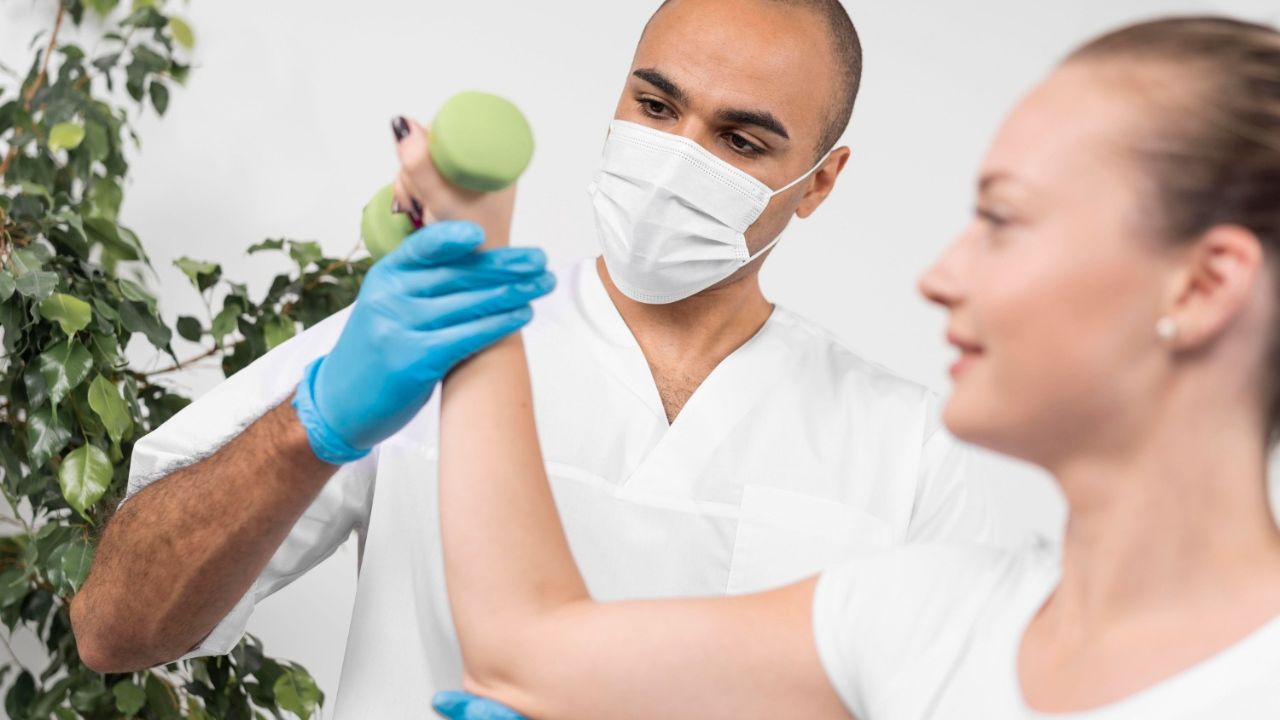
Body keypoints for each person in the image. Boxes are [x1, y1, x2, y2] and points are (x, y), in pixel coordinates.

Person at [70, 0, 992, 716]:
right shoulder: (432, 330)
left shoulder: (907, 449)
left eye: (740, 139)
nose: (675, 158)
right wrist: (313, 424)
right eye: (656, 105)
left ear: (820, 182)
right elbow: (113, 629)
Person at [429, 15, 1280, 719]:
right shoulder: (931, 616)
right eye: (655, 106)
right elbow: (525, 654)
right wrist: (472, 287)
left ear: (1205, 285)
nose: (939, 276)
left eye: (1004, 220)